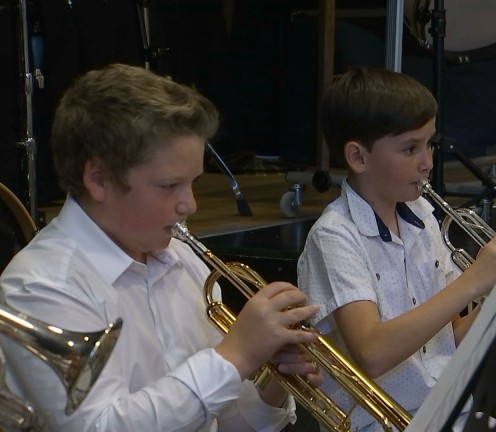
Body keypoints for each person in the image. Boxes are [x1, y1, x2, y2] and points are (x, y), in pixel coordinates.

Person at [0, 63, 322, 431]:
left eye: (194, 182)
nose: (190, 205)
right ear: (98, 179)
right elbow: (98, 426)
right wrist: (237, 355)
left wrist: (271, 381)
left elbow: (225, 422)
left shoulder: (183, 259)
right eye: (170, 186)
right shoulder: (40, 286)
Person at [296, 66, 496, 431]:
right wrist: (474, 282)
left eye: (429, 144)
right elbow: (372, 353)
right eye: (410, 149)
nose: (427, 161)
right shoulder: (335, 236)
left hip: (446, 407)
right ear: (358, 157)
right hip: (379, 423)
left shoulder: (421, 215)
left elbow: (449, 338)